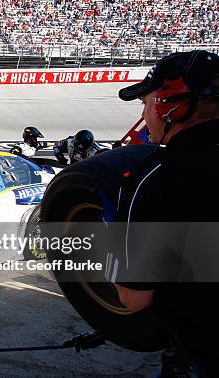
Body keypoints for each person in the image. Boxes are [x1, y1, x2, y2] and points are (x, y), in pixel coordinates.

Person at [114, 50, 219, 376]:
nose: (146, 114)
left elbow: (134, 298)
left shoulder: (155, 179)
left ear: (169, 105)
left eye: (146, 104)